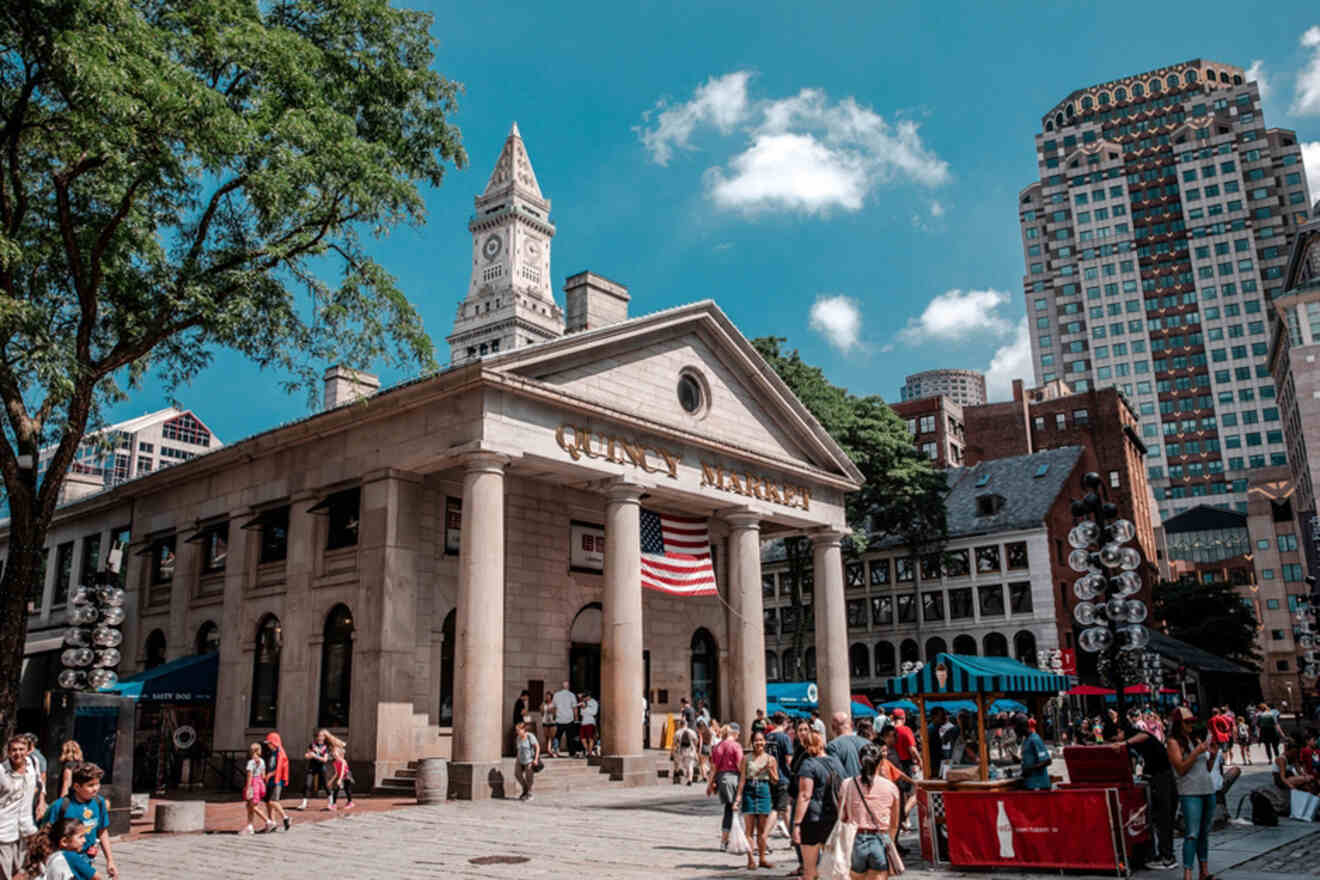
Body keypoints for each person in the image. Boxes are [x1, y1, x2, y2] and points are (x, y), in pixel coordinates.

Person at [1119, 714, 1177, 870]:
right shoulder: (1141, 742)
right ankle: (1165, 854)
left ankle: (1167, 856)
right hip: (1158, 777)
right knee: (1160, 818)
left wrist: (1123, 743)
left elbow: (1142, 736)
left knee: (1162, 817)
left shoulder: (1141, 736)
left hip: (1162, 779)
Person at [39, 762, 116, 879]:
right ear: (76, 787)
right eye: (90, 785)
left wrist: (110, 860)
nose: (95, 789)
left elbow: (102, 831)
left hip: (87, 859)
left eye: (97, 784)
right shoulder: (61, 806)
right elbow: (45, 835)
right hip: (66, 861)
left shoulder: (99, 803)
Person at [1167, 707, 1217, 880]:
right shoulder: (1173, 742)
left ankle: (1204, 871)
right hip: (1190, 792)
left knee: (1204, 833)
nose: (1191, 724)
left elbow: (1207, 768)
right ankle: (1187, 874)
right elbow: (1180, 769)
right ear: (1178, 724)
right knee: (1192, 833)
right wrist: (1196, 752)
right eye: (1187, 722)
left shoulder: (1195, 739)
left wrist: (1212, 756)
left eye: (1192, 721)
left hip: (1207, 789)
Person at [839, 743, 900, 880]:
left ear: (860, 761)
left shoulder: (847, 784)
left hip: (856, 839)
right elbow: (894, 823)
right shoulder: (891, 787)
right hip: (880, 838)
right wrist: (890, 840)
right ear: (880, 762)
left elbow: (842, 817)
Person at [792, 730, 844, 880]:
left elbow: (805, 795)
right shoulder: (836, 762)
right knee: (835, 867)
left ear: (805, 745)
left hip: (812, 819)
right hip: (834, 817)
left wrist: (796, 824)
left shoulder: (808, 764)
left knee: (810, 870)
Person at [735, 731, 779, 871]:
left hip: (764, 790)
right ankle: (750, 860)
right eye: (756, 740)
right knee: (749, 829)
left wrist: (770, 769)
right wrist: (738, 797)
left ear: (765, 742)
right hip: (749, 789)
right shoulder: (746, 758)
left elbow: (775, 780)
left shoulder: (770, 759)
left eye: (761, 740)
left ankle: (762, 858)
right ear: (752, 742)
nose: (759, 743)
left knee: (762, 829)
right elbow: (742, 779)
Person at [1, 735, 37, 880]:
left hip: (25, 829)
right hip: (4, 830)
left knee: (23, 870)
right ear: (8, 752)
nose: (18, 753)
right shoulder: (1, 772)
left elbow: (39, 783)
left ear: (28, 750)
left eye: (21, 749)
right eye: (14, 750)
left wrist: (40, 800)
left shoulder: (32, 764)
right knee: (4, 873)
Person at [22, 818, 103, 880]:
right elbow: (97, 877)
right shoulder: (71, 857)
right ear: (64, 841)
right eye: (80, 837)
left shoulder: (52, 856)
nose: (84, 840)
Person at [706, 724, 743, 851]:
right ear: (734, 733)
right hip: (734, 778)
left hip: (722, 779)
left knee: (728, 809)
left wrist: (710, 784)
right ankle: (733, 839)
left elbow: (713, 768)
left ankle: (725, 840)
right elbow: (739, 764)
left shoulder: (718, 746)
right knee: (735, 808)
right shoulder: (736, 746)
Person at [764, 713, 793, 839]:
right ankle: (763, 836)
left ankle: (793, 837)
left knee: (785, 807)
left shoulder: (768, 737)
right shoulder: (784, 738)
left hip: (771, 776)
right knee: (777, 807)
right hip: (783, 776)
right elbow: (789, 759)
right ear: (785, 722)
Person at [261, 732, 291, 831]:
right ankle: (272, 822)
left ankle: (285, 817)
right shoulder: (271, 752)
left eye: (270, 743)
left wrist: (270, 774)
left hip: (277, 780)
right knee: (268, 802)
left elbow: (280, 768)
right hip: (270, 780)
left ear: (274, 743)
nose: (268, 745)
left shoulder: (280, 753)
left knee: (273, 801)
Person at [825, 711, 869, 778]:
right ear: (851, 724)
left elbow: (838, 773)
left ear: (833, 726)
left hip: (848, 787)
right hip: (869, 786)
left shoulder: (833, 746)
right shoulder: (867, 742)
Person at [241, 742, 271, 834]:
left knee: (253, 806)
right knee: (249, 806)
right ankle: (250, 826)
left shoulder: (251, 762)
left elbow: (249, 776)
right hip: (260, 784)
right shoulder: (262, 761)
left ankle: (268, 821)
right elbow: (263, 775)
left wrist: (248, 788)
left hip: (253, 784)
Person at [1016, 715, 1052, 791]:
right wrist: (1019, 761)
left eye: (1017, 728)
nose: (1016, 731)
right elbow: (1030, 759)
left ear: (1022, 727)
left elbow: (1047, 761)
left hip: (1039, 785)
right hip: (1030, 784)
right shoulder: (1026, 741)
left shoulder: (1035, 739)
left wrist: (1030, 769)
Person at [299, 730, 331, 811]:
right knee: (307, 784)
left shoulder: (326, 747)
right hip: (312, 767)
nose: (320, 738)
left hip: (321, 767)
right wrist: (308, 755)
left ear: (324, 737)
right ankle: (304, 803)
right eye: (318, 736)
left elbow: (325, 759)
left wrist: (315, 756)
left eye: (321, 736)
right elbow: (307, 755)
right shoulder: (312, 745)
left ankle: (331, 802)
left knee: (325, 785)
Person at [514, 721, 539, 802]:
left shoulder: (530, 736)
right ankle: (525, 788)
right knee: (517, 774)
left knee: (529, 778)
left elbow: (537, 747)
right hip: (520, 760)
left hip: (529, 760)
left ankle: (529, 793)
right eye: (516, 730)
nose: (517, 732)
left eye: (518, 730)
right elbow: (518, 749)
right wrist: (517, 760)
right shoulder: (518, 738)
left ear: (523, 729)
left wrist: (535, 759)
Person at [552, 681, 578, 757]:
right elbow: (575, 708)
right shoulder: (571, 695)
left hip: (559, 719)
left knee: (557, 736)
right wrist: (576, 719)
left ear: (562, 687)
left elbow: (554, 708)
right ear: (568, 687)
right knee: (570, 737)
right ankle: (571, 752)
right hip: (569, 719)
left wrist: (554, 717)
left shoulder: (556, 695)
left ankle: (555, 751)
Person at [671, 718, 700, 785]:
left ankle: (677, 774)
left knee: (677, 763)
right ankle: (690, 780)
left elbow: (674, 743)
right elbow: (696, 741)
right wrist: (695, 748)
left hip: (680, 751)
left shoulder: (677, 732)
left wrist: (672, 752)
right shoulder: (692, 732)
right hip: (690, 751)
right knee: (690, 765)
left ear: (680, 725)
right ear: (686, 724)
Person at [328, 745, 354, 810]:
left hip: (347, 776)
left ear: (339, 753)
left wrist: (340, 779)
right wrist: (331, 780)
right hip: (341, 776)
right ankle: (334, 804)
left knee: (347, 789)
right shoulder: (334, 763)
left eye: (335, 752)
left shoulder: (343, 761)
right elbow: (337, 773)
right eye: (333, 752)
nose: (334, 753)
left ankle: (350, 803)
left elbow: (342, 771)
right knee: (336, 789)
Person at [926, 707, 949, 779]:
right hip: (934, 765)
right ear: (934, 717)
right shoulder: (931, 729)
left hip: (937, 764)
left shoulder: (936, 728)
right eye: (942, 715)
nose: (944, 717)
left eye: (944, 715)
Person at [578, 692, 599, 757]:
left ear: (589, 696)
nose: (584, 699)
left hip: (590, 722)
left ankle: (589, 752)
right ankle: (588, 751)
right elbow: (581, 713)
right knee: (582, 738)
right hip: (583, 722)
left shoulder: (594, 702)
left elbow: (594, 712)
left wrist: (586, 708)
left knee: (590, 738)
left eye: (585, 697)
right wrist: (583, 707)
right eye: (584, 697)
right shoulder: (583, 702)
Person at [540, 692, 558, 757]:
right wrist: (542, 709)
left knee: (552, 737)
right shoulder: (543, 703)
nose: (547, 697)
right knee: (547, 737)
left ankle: (553, 751)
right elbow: (541, 714)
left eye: (548, 696)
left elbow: (555, 714)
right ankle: (549, 751)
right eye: (546, 696)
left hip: (552, 722)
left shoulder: (554, 704)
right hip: (545, 721)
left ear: (551, 697)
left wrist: (552, 711)